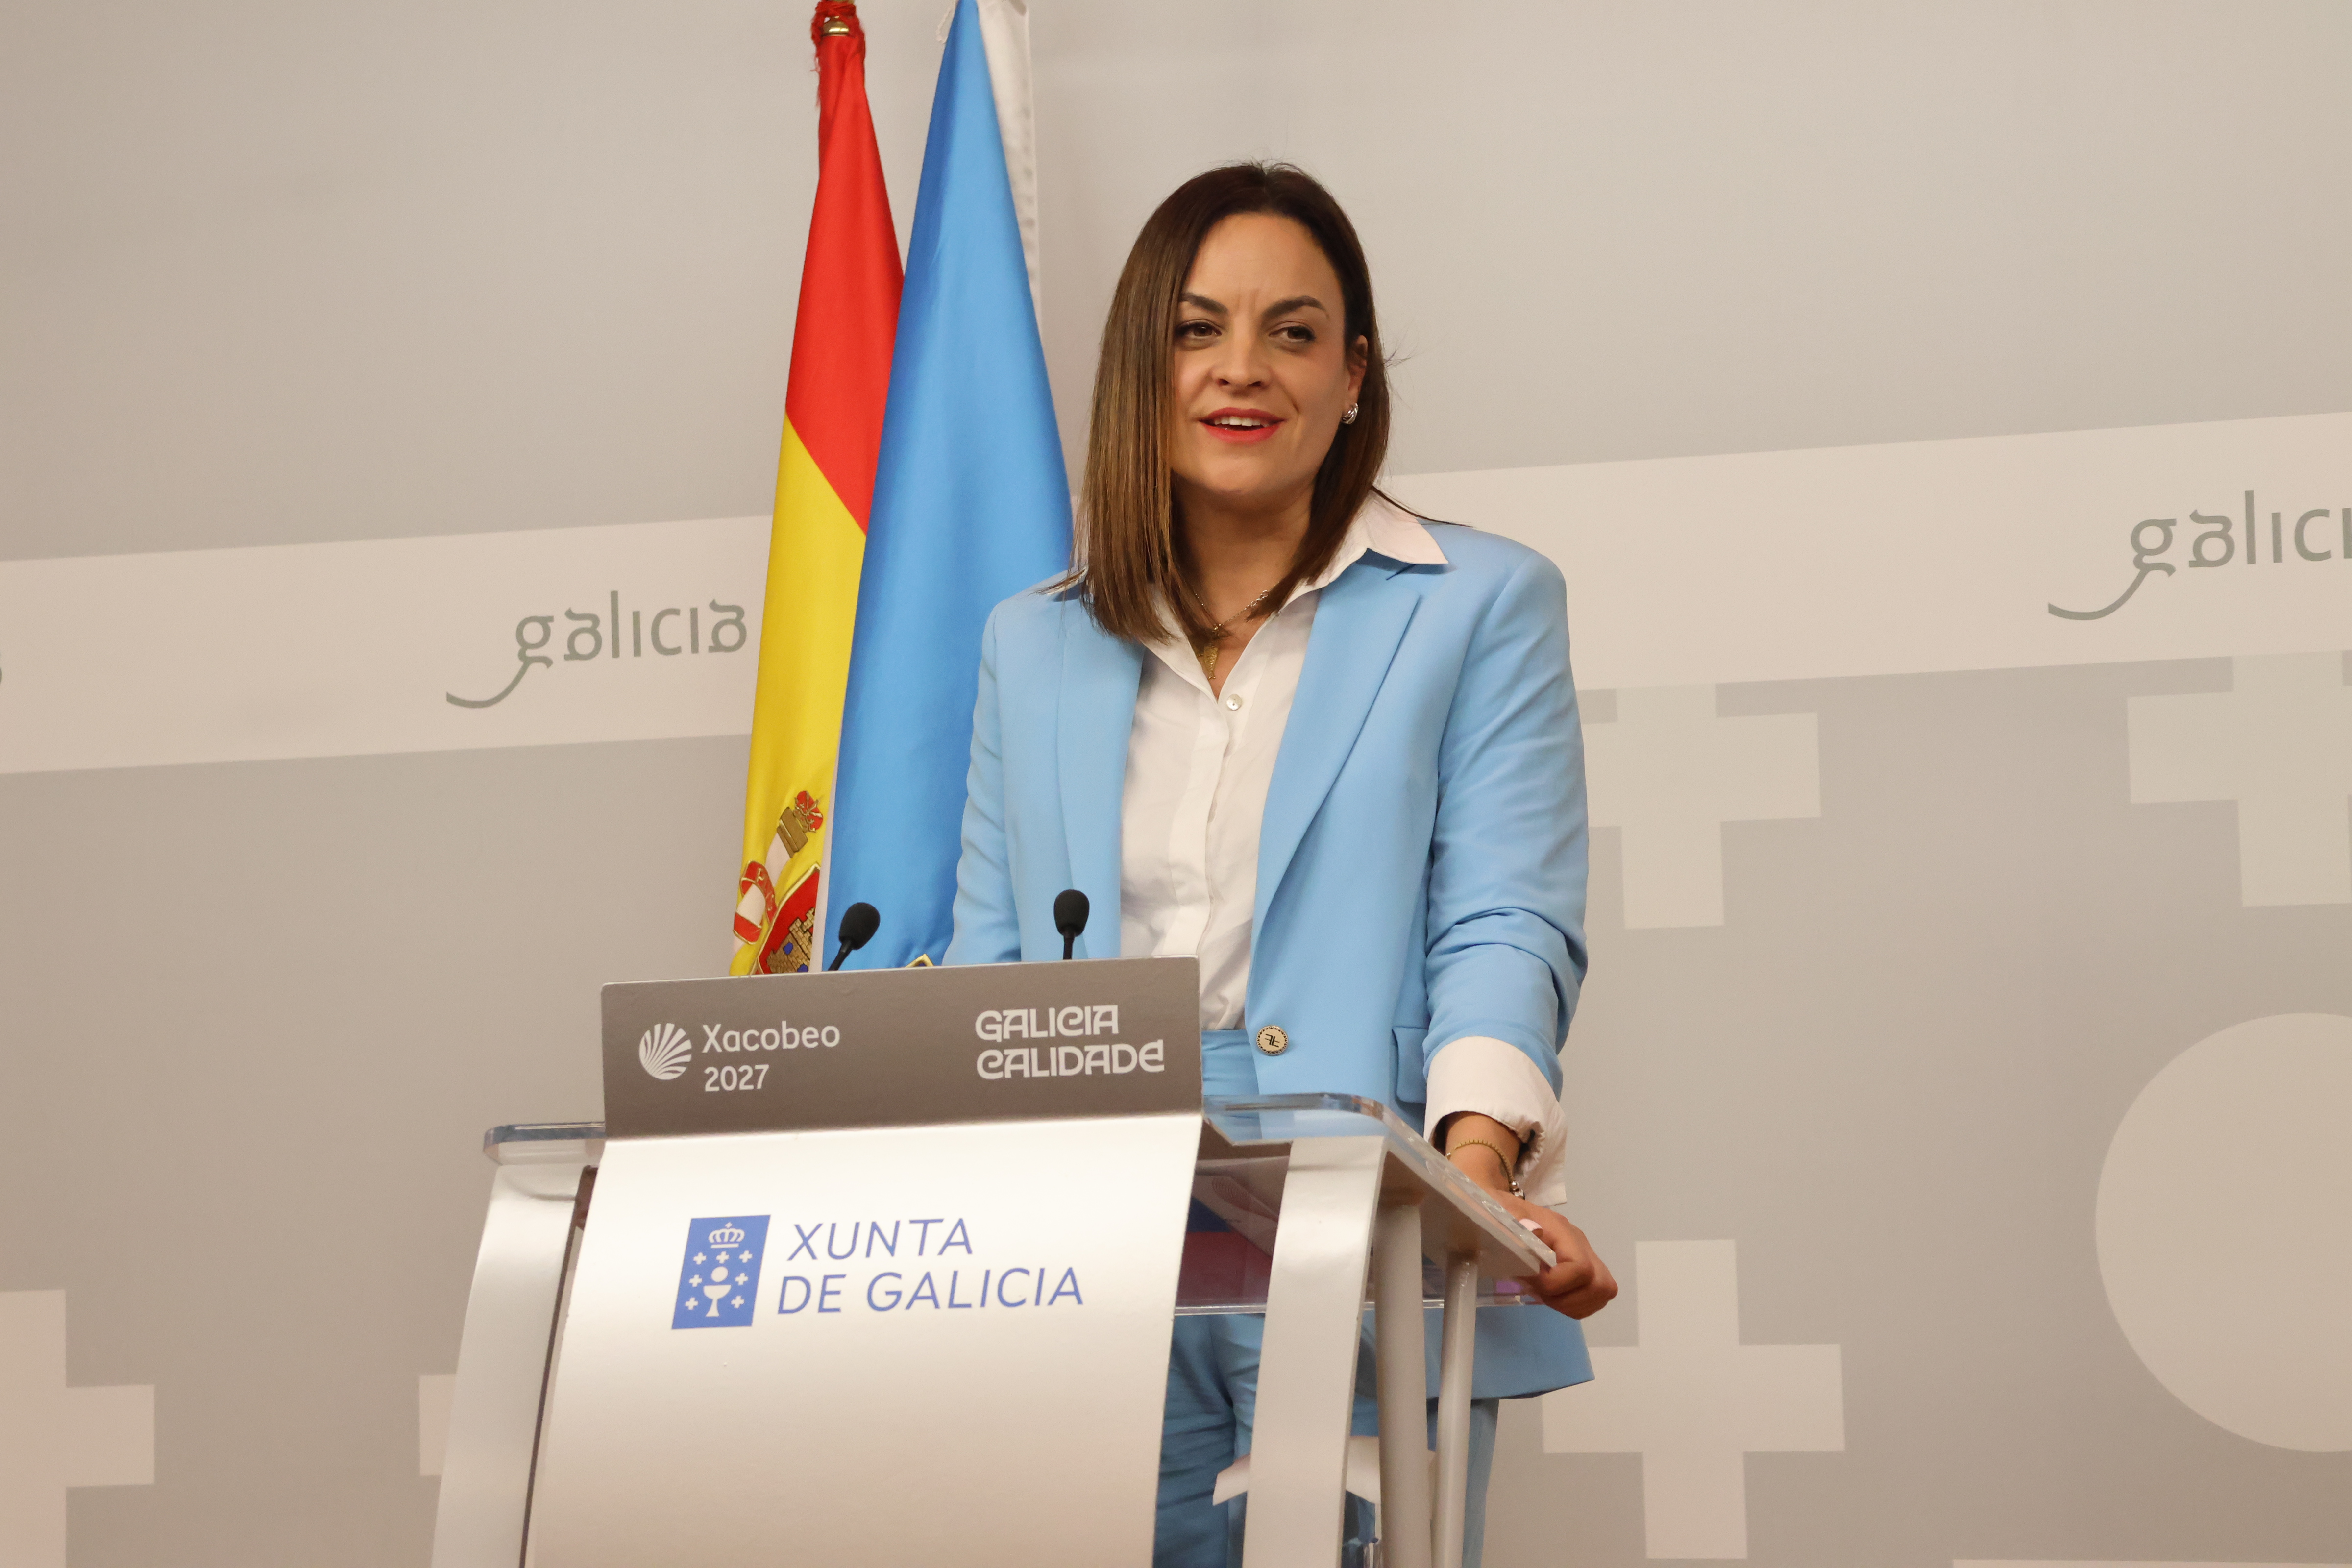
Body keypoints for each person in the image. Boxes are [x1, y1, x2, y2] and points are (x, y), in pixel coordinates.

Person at [944, 162, 1615, 1567]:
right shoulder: (1031, 640)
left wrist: (1470, 1172)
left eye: (1292, 332)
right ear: (1142, 368)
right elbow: (993, 963)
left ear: (1354, 374)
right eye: (1197, 329)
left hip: (1361, 1207)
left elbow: (1504, 919)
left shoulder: (1481, 604)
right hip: (1086, 1230)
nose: (1241, 368)